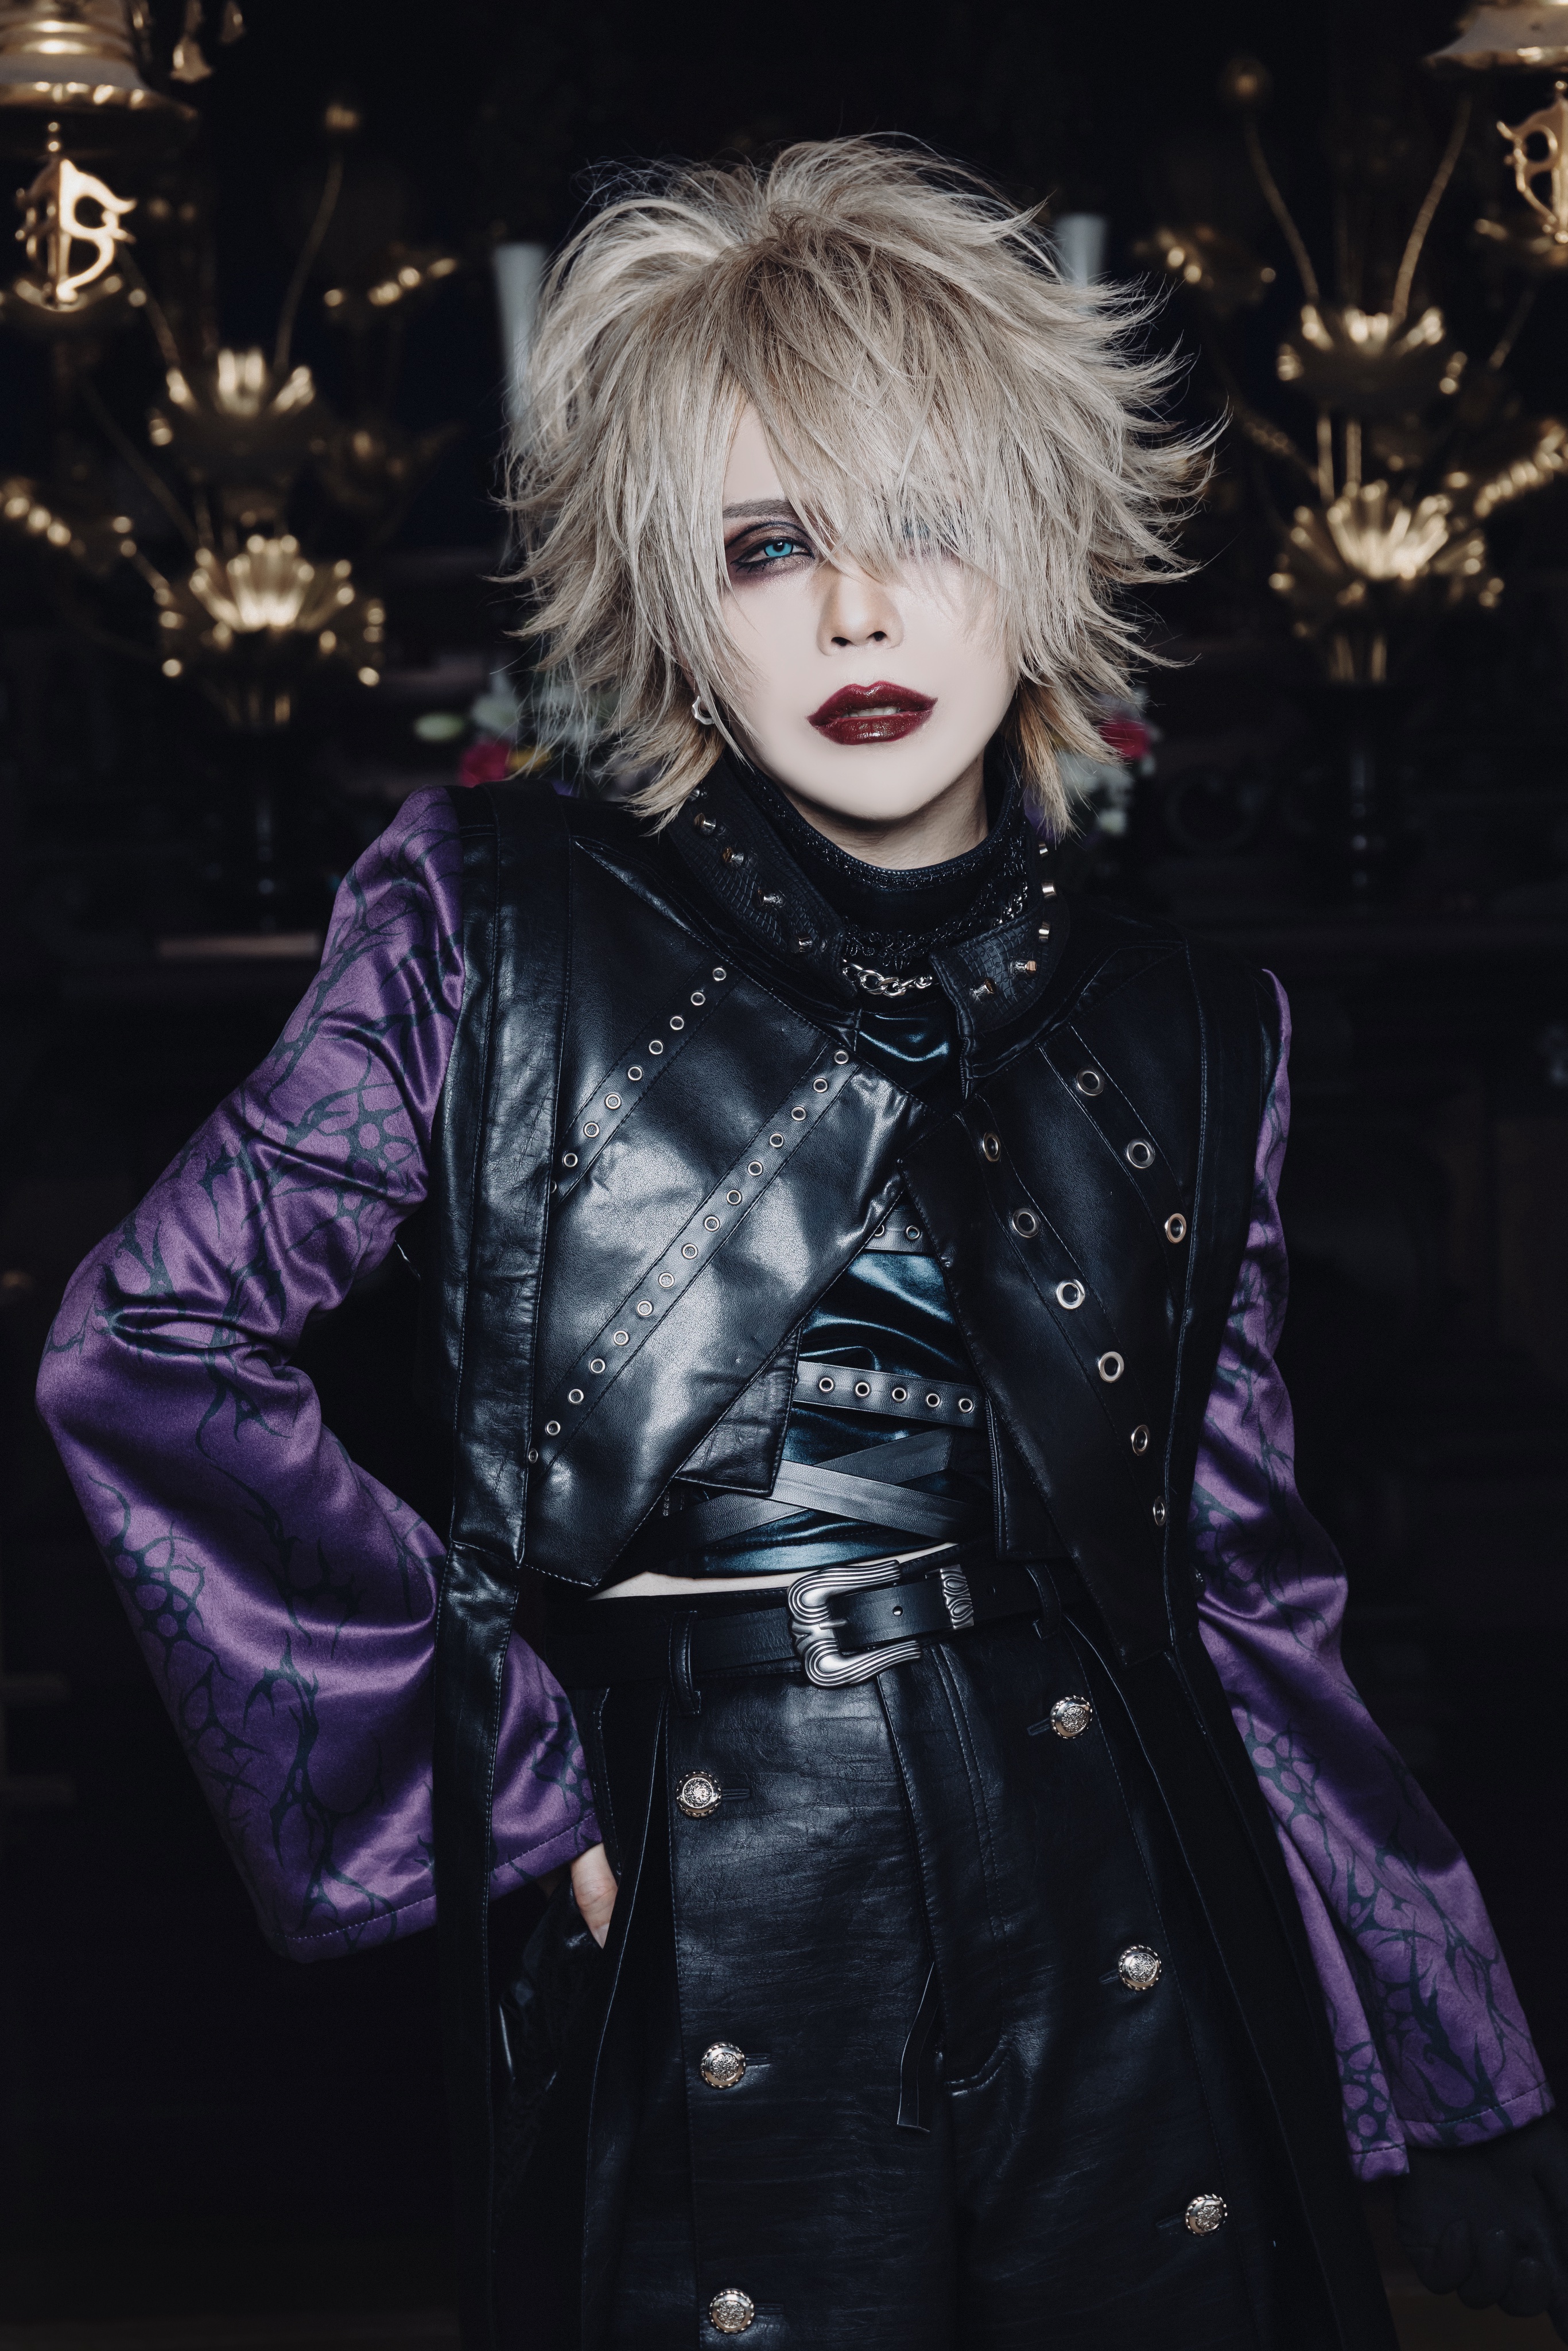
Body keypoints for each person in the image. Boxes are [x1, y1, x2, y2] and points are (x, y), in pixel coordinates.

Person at [37, 140, 1567, 2351]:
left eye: (923, 523)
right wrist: (508, 1789)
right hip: (711, 1880)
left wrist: (1453, 2061)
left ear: (1048, 549)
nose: (855, 613)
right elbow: (152, 1340)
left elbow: (1237, 1583)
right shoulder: (482, 923)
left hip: (1126, 1888)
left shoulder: (1189, 1026)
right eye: (767, 545)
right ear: (675, 602)